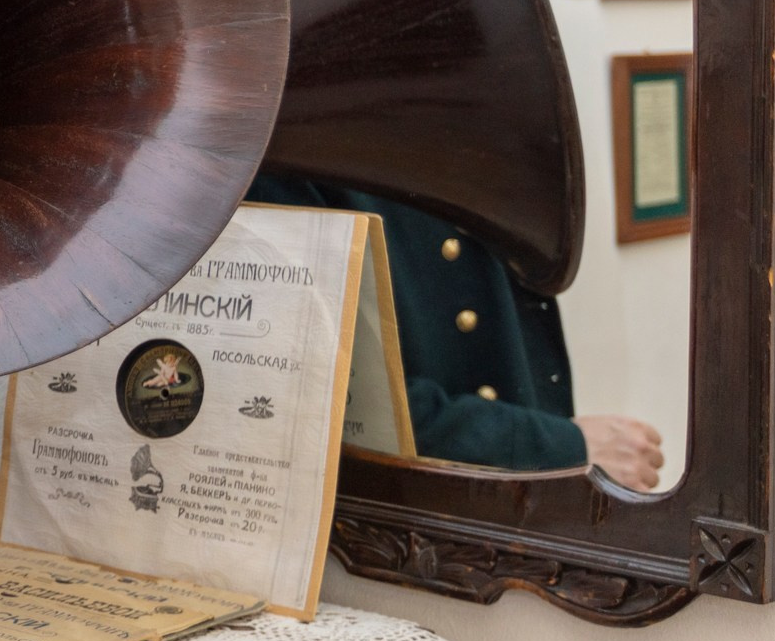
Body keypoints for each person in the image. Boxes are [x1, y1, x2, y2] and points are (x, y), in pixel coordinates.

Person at [247, 176, 665, 491]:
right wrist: (561, 448)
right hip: (398, 530)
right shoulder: (300, 148)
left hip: (508, 516)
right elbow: (341, 408)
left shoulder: (473, 124)